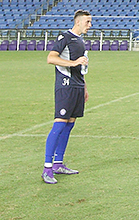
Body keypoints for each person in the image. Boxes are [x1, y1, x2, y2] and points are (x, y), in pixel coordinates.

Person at [42, 10, 91, 184]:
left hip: (77, 87)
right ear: (77, 22)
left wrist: (84, 87)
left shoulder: (80, 41)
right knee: (59, 124)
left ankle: (58, 163)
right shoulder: (65, 38)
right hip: (65, 87)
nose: (89, 25)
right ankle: (47, 168)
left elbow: (81, 68)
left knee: (69, 125)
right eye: (87, 22)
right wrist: (73, 63)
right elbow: (51, 58)